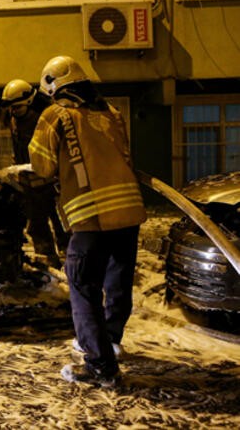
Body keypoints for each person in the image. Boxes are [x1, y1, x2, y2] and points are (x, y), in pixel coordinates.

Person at [27, 55, 146, 387]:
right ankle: (111, 340)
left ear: (53, 85)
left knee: (82, 286)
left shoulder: (56, 115)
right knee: (117, 280)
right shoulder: (111, 113)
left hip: (92, 217)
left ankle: (100, 366)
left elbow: (41, 167)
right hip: (130, 212)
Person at [0, 76, 68, 267]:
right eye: (11, 108)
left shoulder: (45, 121)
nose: (13, 111)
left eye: (17, 108)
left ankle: (72, 260)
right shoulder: (14, 117)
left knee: (62, 224)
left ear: (29, 102)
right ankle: (48, 260)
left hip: (52, 183)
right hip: (30, 184)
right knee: (37, 226)